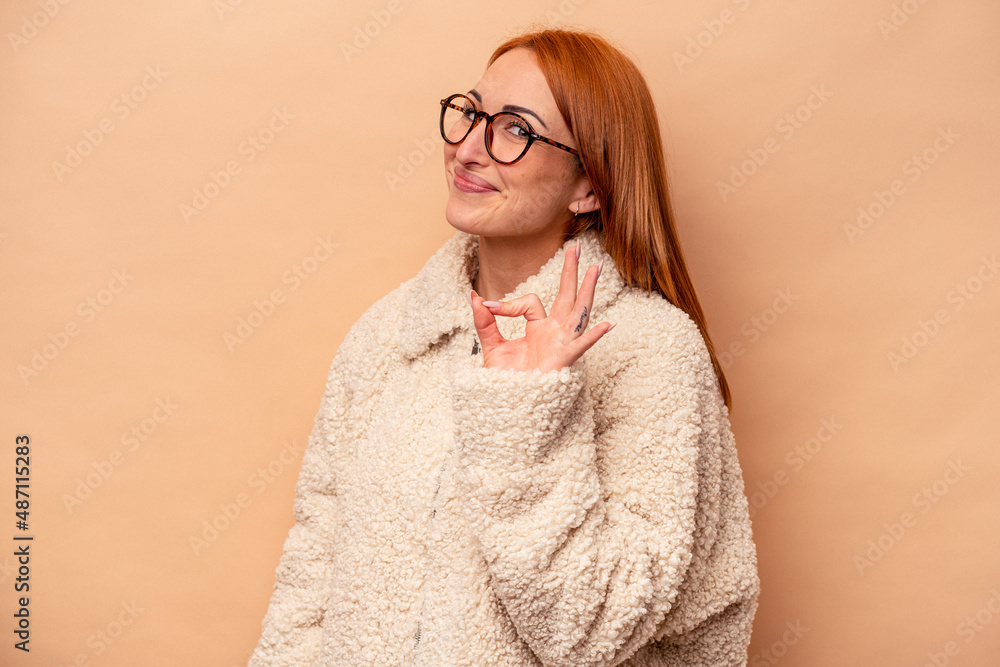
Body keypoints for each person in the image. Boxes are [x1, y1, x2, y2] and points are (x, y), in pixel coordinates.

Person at [249, 27, 759, 667]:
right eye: (470, 114)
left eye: (515, 129)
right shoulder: (388, 334)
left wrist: (526, 408)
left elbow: (593, 629)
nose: (467, 149)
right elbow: (313, 573)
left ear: (590, 186)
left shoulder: (651, 353)